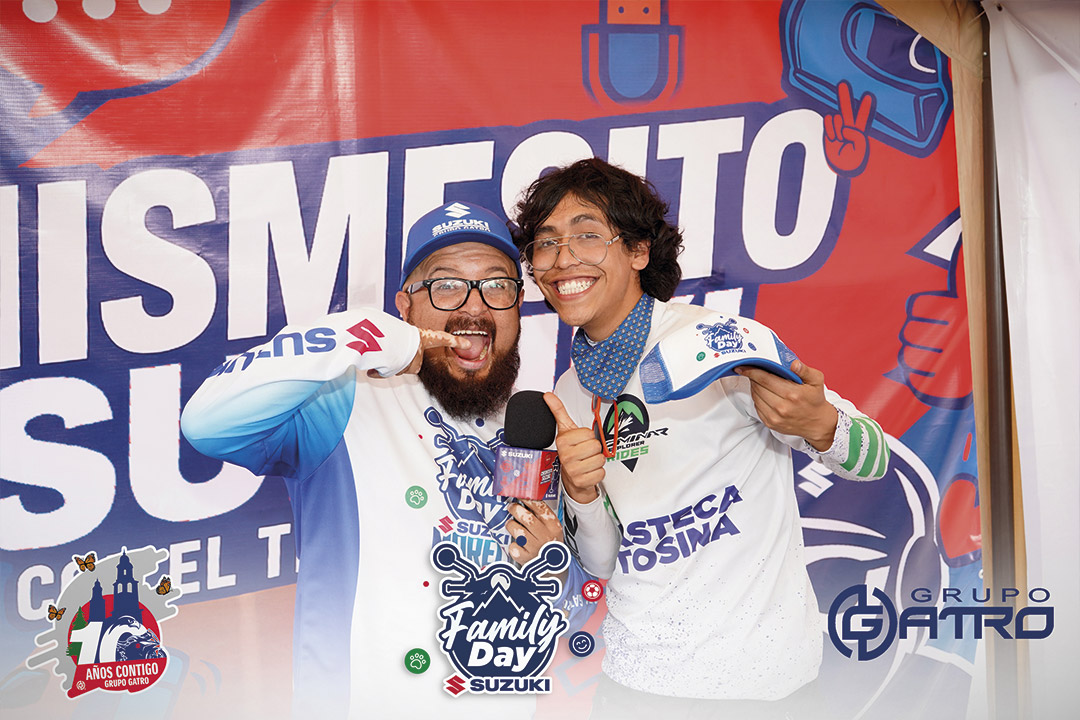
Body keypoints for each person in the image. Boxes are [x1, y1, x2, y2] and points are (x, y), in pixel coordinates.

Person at [180, 201, 592, 719]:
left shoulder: (534, 429)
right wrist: (364, 336)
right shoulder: (342, 400)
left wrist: (553, 568)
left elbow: (575, 615)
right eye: (446, 285)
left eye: (496, 285)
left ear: (517, 304)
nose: (475, 307)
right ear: (405, 308)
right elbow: (206, 424)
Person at [512, 158, 890, 719]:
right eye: (546, 243)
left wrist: (820, 425)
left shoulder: (717, 342)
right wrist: (583, 495)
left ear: (639, 251)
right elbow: (604, 563)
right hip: (634, 686)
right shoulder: (568, 391)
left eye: (587, 235)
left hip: (763, 691)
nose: (563, 258)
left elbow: (873, 458)